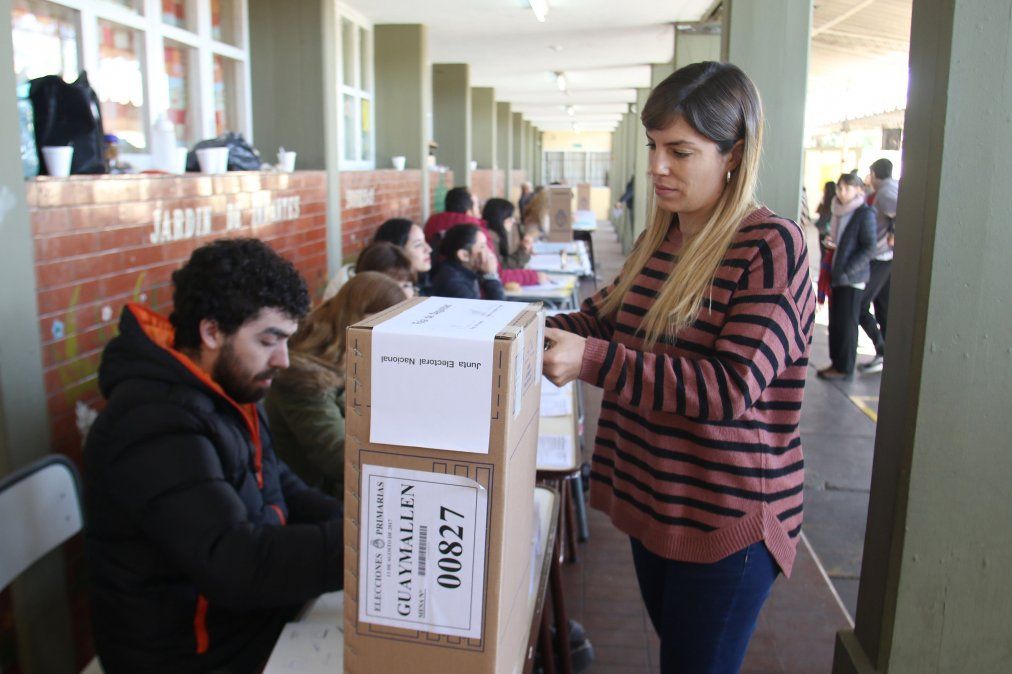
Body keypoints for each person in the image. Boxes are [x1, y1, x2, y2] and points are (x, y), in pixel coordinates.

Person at [541, 61, 815, 674]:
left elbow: (730, 387)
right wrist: (519, 330)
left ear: (733, 154)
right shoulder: (660, 238)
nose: (657, 166)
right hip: (656, 498)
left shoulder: (771, 247)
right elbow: (604, 322)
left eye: (680, 152)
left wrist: (590, 360)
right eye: (653, 146)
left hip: (725, 517)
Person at [84, 238, 344, 673]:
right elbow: (235, 565)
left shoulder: (228, 389)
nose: (283, 359)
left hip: (240, 624)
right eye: (269, 340)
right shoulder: (152, 424)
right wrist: (365, 547)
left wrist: (361, 524)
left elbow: (282, 485)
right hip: (190, 655)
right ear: (211, 332)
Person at [264, 272, 405, 497]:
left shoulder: (348, 356)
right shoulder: (303, 375)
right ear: (362, 318)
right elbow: (339, 456)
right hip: (315, 497)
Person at [818, 173, 877, 380]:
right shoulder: (837, 211)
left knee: (846, 325)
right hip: (836, 274)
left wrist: (847, 269)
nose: (841, 192)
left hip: (851, 279)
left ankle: (844, 367)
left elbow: (869, 247)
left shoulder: (864, 213)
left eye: (847, 188)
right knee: (836, 323)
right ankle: (836, 363)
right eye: (840, 188)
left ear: (858, 190)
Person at [857, 158, 898, 373]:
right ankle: (888, 355)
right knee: (883, 306)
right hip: (887, 258)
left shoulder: (885, 193)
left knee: (859, 305)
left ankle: (881, 349)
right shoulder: (893, 187)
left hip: (881, 257)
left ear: (873, 174)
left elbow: (901, 212)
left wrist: (893, 233)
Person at [429, 223, 505, 300]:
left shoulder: (465, 270)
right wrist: (491, 276)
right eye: (482, 246)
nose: (489, 251)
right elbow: (498, 306)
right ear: (464, 255)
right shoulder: (454, 283)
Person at [483, 197, 533, 268]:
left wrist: (525, 246)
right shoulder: (490, 238)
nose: (513, 221)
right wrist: (523, 252)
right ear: (498, 219)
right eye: (510, 217)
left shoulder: (498, 233)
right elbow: (500, 267)